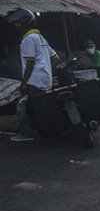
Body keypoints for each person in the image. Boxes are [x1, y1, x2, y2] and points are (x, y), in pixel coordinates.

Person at [4, 8, 60, 142]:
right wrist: (47, 72)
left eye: (17, 23)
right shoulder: (40, 38)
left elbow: (30, 63)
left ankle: (26, 133)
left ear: (24, 22)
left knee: (21, 106)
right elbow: (56, 58)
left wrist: (24, 83)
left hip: (34, 81)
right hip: (45, 80)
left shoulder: (28, 39)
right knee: (41, 105)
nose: (16, 26)